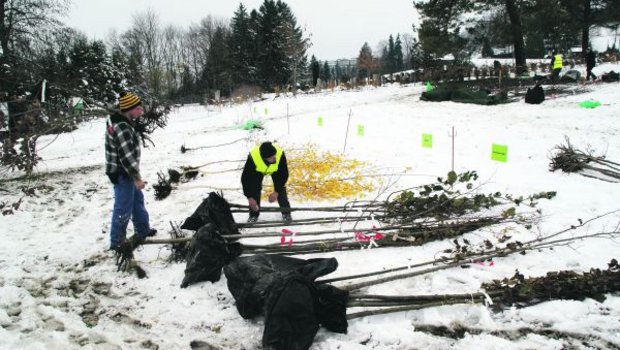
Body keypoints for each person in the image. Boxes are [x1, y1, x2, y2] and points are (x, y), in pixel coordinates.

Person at [105, 91, 155, 251]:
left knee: (137, 202)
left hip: (127, 173)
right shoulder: (122, 128)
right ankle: (117, 241)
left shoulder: (123, 123)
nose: (141, 111)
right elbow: (127, 157)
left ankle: (143, 230)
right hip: (123, 173)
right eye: (138, 108)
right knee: (123, 207)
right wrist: (137, 178)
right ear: (128, 109)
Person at [241, 141, 292, 223]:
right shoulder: (253, 158)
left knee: (280, 188)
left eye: (274, 155)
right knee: (254, 188)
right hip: (258, 171)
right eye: (272, 157)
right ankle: (254, 214)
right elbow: (245, 178)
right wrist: (250, 197)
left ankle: (286, 213)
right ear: (264, 158)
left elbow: (284, 175)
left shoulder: (280, 155)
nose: (275, 157)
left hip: (276, 171)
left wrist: (276, 192)